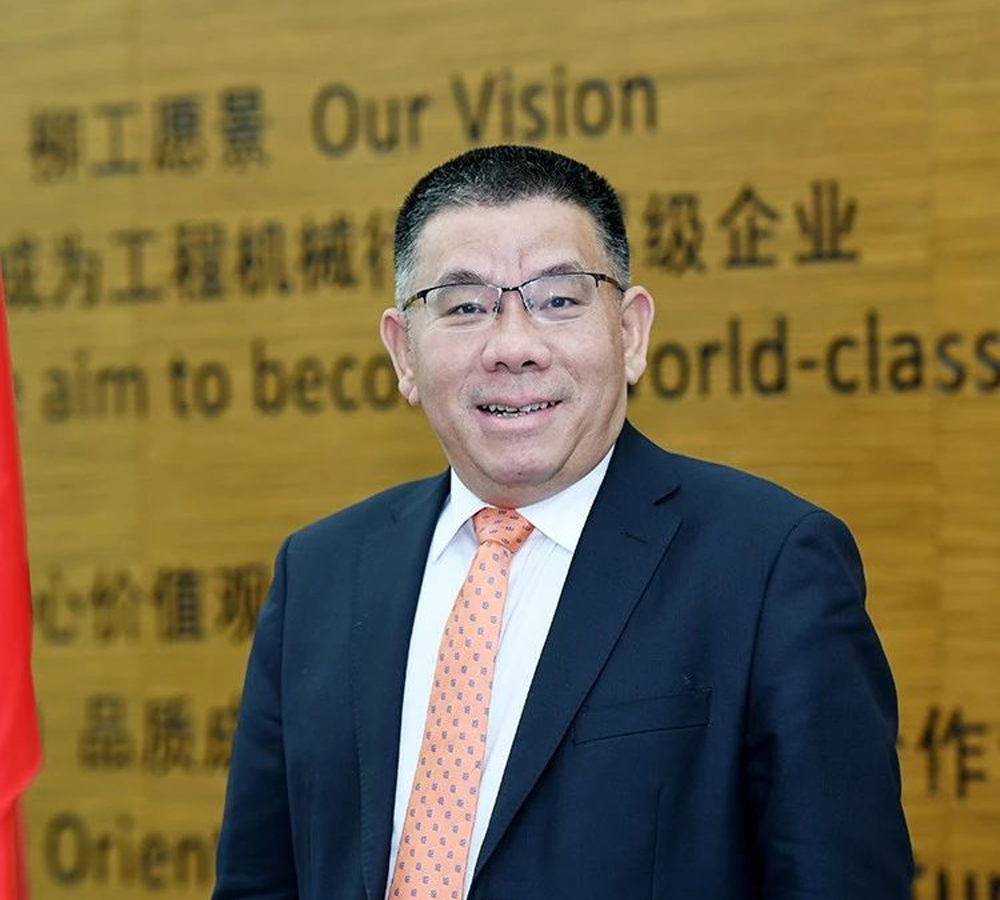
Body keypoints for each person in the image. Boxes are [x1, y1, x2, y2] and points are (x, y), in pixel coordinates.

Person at [212, 145, 913, 900]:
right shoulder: (321, 574)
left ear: (631, 333)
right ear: (403, 353)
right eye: (465, 305)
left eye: (558, 300)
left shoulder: (770, 566)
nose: (514, 347)